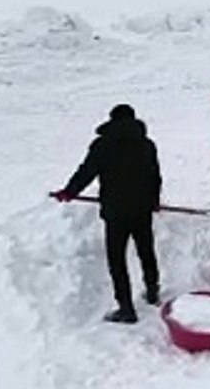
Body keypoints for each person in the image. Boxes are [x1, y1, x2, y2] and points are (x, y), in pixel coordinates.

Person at [50, 104, 162, 324]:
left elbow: (87, 171)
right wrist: (153, 201)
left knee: (117, 260)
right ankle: (152, 291)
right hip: (141, 208)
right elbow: (155, 176)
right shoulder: (146, 144)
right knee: (146, 249)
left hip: (116, 211)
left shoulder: (103, 145)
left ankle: (126, 308)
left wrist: (69, 192)